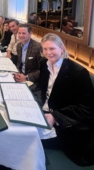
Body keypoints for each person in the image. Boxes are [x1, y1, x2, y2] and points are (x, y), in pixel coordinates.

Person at [34, 33, 94, 166]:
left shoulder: (78, 72)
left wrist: (55, 116)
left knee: (24, 139)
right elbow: (43, 90)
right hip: (44, 114)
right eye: (45, 49)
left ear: (61, 48)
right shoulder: (44, 64)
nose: (48, 53)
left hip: (65, 126)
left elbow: (87, 109)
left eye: (52, 49)